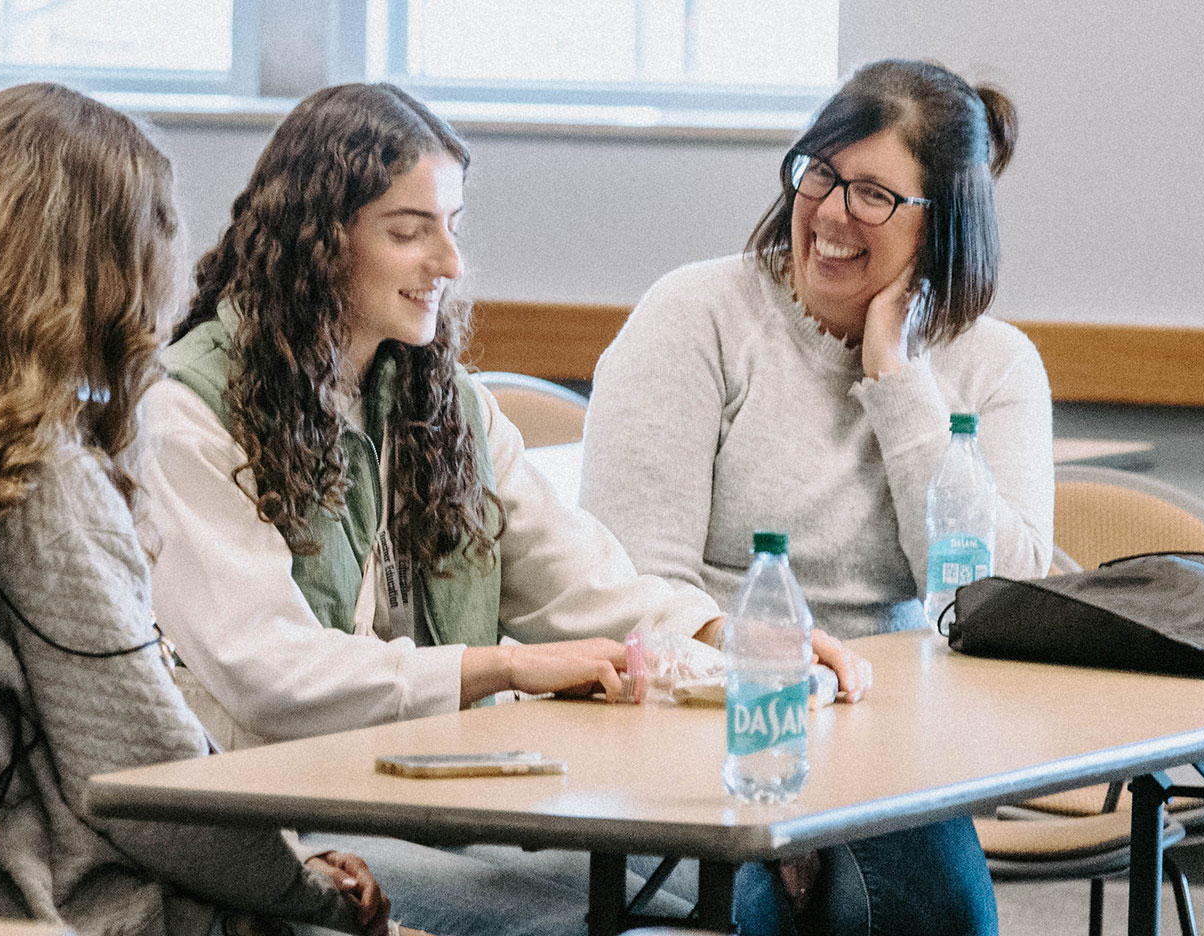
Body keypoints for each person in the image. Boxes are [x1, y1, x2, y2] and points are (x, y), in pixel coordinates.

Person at [136, 81, 867, 936]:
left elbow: (579, 580)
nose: (447, 261)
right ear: (319, 243)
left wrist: (731, 636)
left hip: (445, 793)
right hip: (300, 820)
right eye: (410, 232)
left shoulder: (444, 404)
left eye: (453, 226)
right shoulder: (191, 412)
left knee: (786, 888)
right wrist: (501, 668)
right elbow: (269, 671)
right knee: (637, 920)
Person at [0, 82, 394, 936]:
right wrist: (308, 891)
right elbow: (146, 787)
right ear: (103, 272)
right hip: (86, 912)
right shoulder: (40, 487)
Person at [581, 58, 1048, 936]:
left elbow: (997, 603)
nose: (831, 213)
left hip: (898, 756)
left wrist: (895, 375)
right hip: (708, 745)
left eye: (873, 194)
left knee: (919, 885)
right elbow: (629, 589)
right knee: (869, 895)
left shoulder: (994, 364)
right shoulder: (697, 316)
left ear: (941, 226)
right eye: (820, 174)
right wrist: (772, 738)